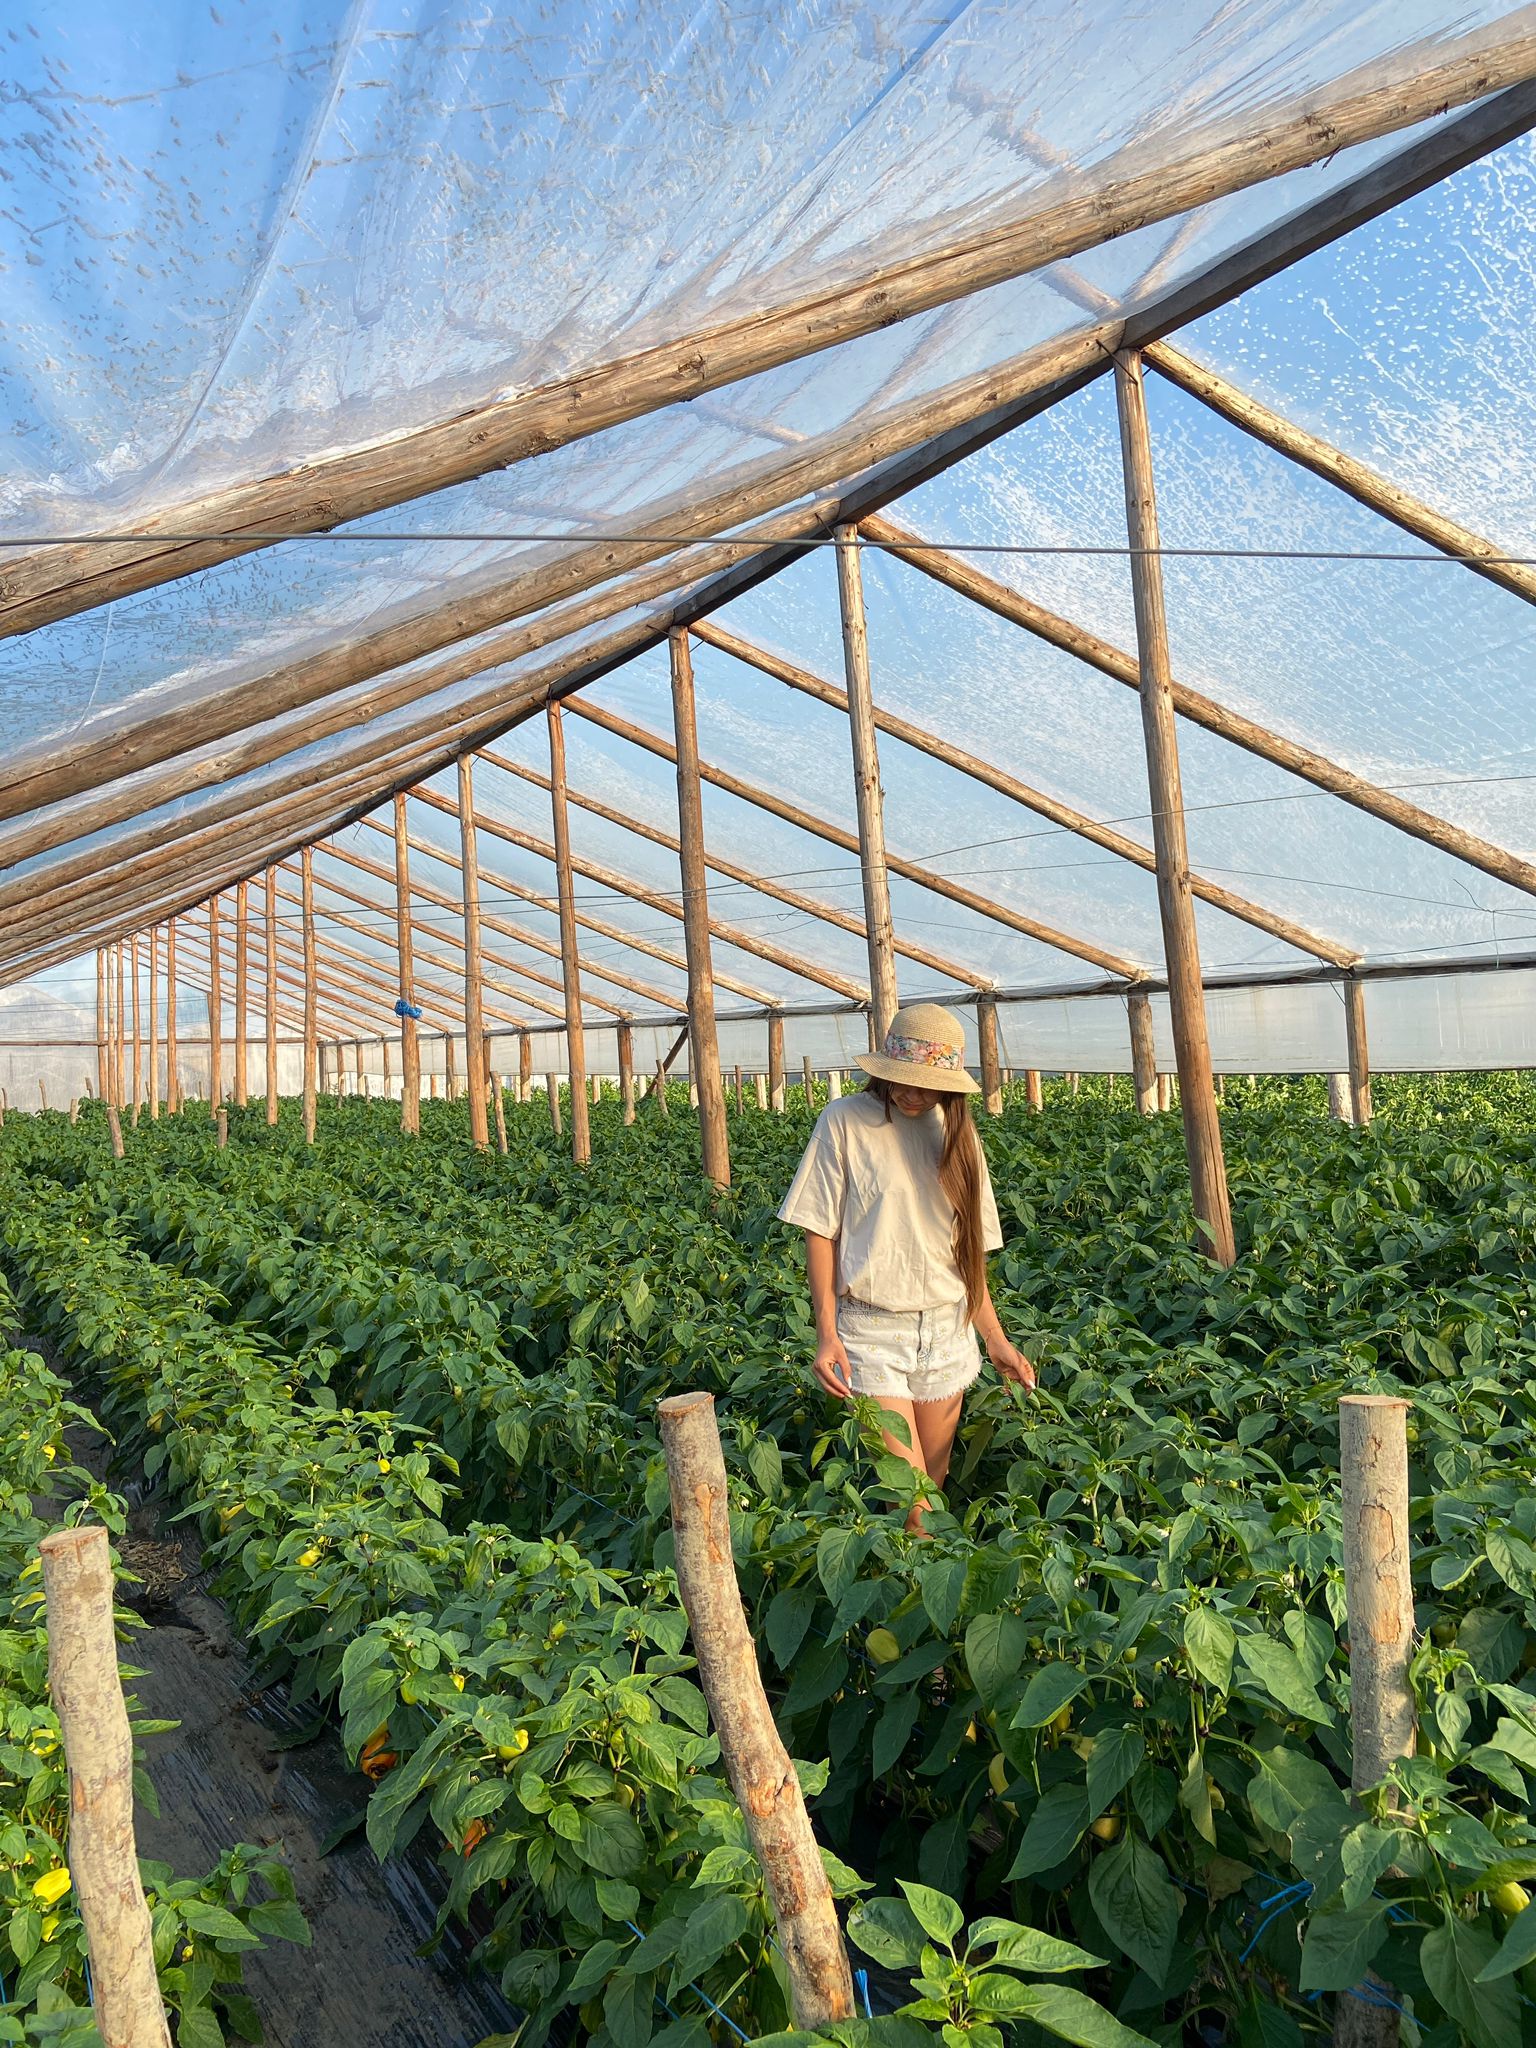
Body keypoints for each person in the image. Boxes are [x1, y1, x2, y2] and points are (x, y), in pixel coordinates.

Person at [778, 1002, 1035, 1532]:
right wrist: (826, 1334)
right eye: (903, 1080)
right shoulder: (845, 1121)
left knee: (930, 1495)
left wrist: (995, 1338)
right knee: (914, 1504)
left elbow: (967, 1255)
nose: (913, 1094)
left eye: (927, 1085)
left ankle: (904, 1577)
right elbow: (820, 1232)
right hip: (871, 1332)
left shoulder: (958, 1135)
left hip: (947, 1331)